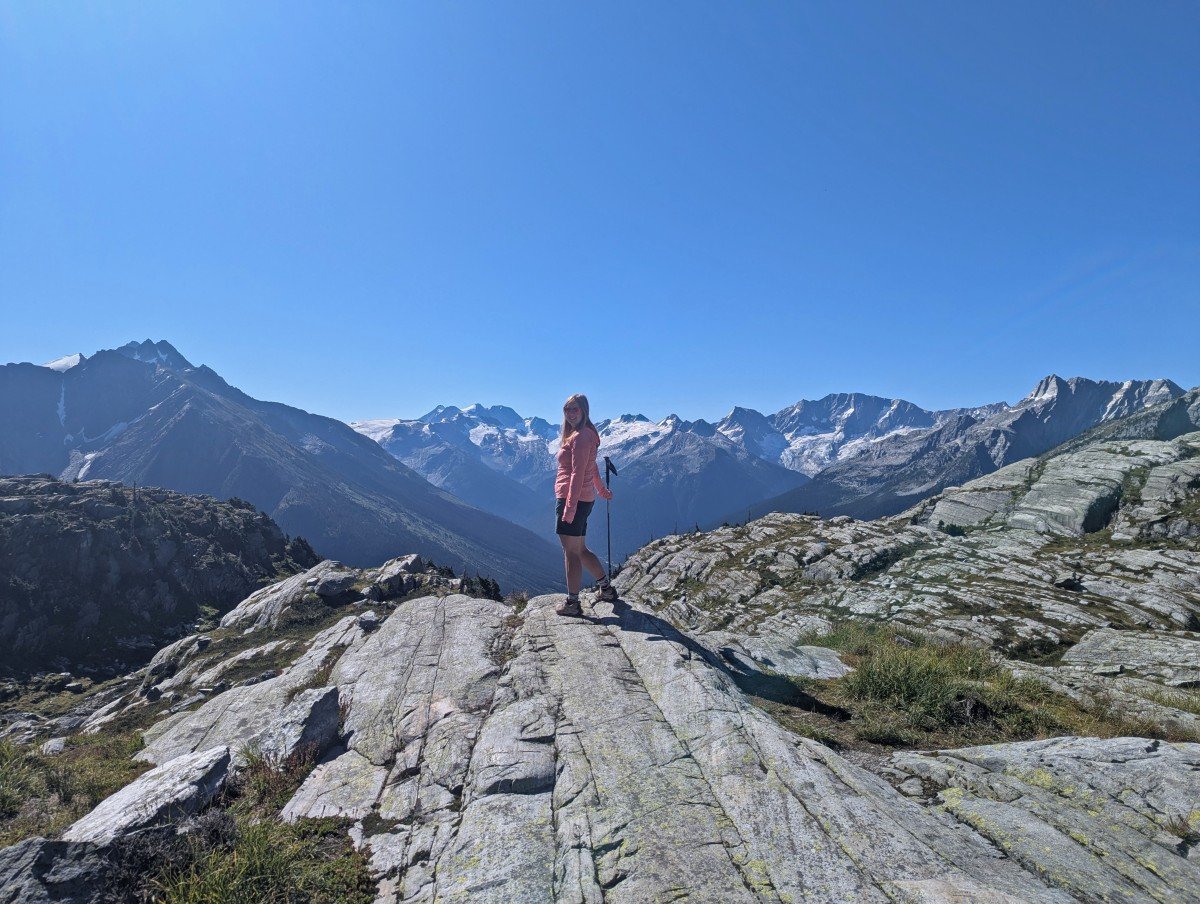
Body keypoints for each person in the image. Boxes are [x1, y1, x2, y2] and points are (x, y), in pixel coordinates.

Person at [554, 393, 616, 616]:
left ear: (584, 411)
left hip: (573, 500)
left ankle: (572, 603)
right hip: (584, 499)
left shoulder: (580, 437)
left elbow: (578, 474)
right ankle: (606, 588)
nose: (571, 413)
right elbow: (592, 467)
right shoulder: (588, 434)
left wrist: (569, 509)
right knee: (580, 549)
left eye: (575, 409)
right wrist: (600, 490)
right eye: (567, 409)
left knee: (570, 552)